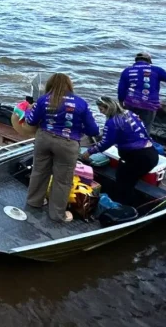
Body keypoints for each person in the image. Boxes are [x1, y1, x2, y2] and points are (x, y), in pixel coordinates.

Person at [24, 72, 99, 222]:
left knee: (39, 172)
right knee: (62, 180)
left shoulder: (43, 100)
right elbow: (94, 131)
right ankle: (57, 215)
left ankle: (34, 202)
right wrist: (78, 129)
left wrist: (28, 111)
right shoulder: (81, 103)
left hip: (44, 139)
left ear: (50, 85)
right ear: (69, 85)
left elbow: (31, 121)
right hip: (67, 143)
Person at [81, 96, 158, 205]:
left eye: (102, 109)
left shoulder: (112, 122)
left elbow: (105, 143)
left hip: (138, 158)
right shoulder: (129, 113)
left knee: (124, 182)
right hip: (151, 153)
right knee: (129, 180)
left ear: (108, 108)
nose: (101, 112)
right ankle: (128, 202)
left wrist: (89, 152)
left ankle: (123, 206)